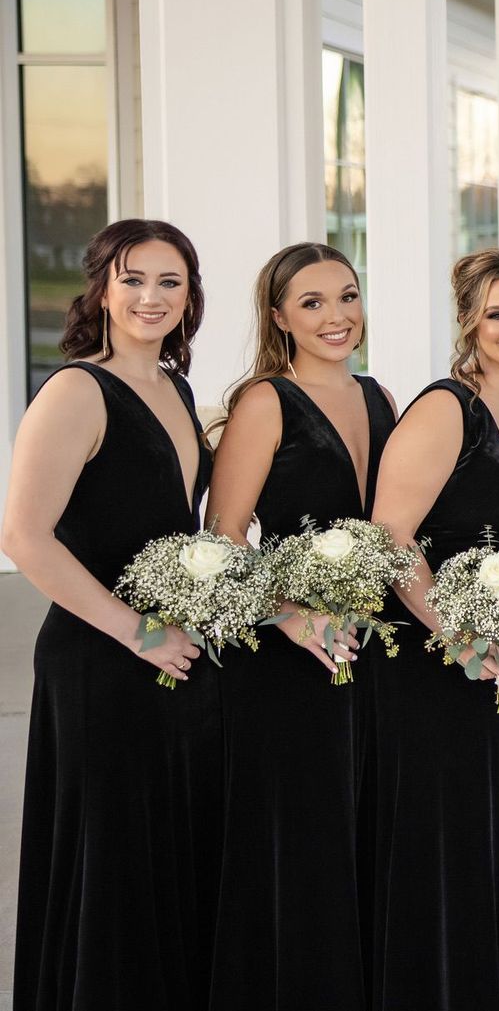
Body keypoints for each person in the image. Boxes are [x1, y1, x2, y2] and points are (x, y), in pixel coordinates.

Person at [3, 219, 221, 1009]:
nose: (151, 296)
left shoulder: (175, 386)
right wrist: (139, 631)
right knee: (113, 865)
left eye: (170, 281)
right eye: (133, 278)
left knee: (160, 859)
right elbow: (23, 535)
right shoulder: (75, 390)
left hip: (171, 656)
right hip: (101, 658)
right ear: (100, 286)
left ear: (190, 294)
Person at [364, 248, 499, 1010]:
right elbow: (391, 535)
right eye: (496, 313)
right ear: (468, 323)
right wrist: (460, 635)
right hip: (439, 664)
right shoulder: (447, 407)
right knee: (448, 851)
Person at [203, 242, 397, 1007]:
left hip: (371, 656)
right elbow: (221, 544)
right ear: (279, 315)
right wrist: (289, 615)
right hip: (286, 667)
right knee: (301, 852)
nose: (336, 316)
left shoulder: (381, 395)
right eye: (312, 302)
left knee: (363, 841)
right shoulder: (265, 402)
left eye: (346, 296)